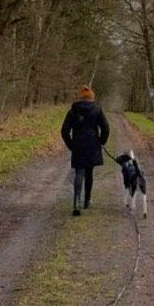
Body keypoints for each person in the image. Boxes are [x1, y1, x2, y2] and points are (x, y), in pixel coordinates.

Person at [61, 85, 110, 216]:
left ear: (80, 97)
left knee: (79, 172)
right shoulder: (97, 110)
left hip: (78, 145)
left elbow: (64, 131)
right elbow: (105, 128)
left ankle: (76, 203)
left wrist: (71, 145)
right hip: (93, 144)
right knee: (89, 173)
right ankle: (87, 201)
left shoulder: (73, 111)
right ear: (92, 98)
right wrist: (101, 141)